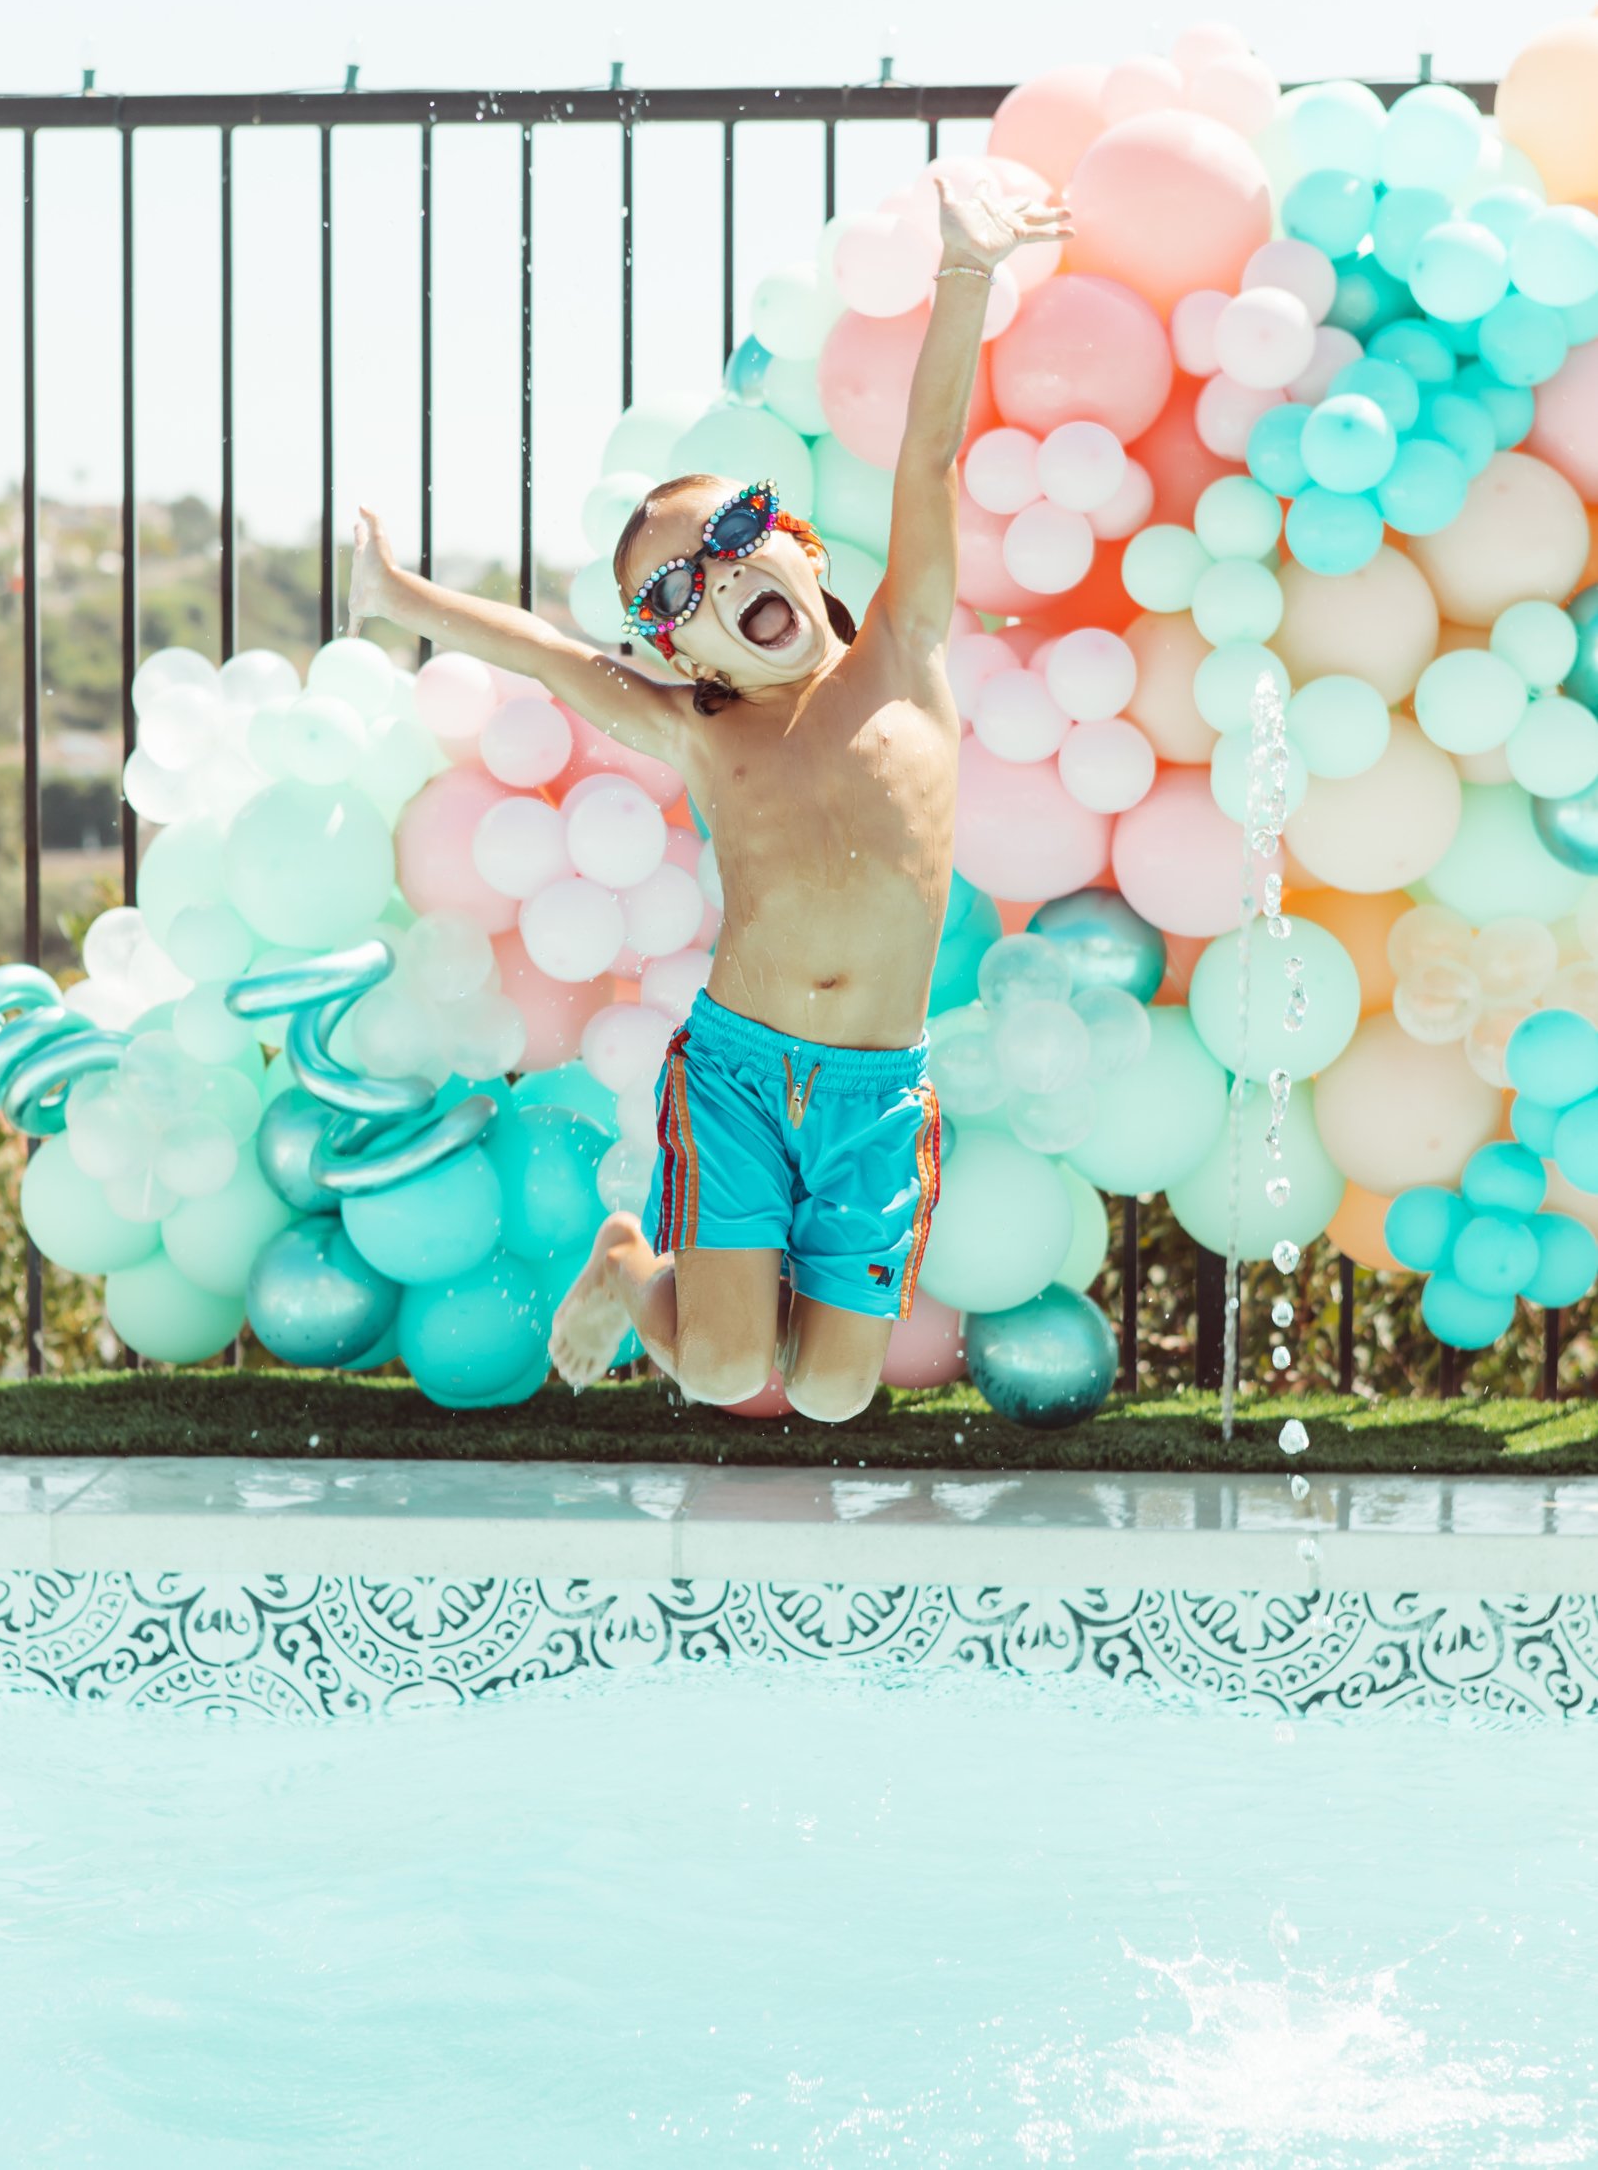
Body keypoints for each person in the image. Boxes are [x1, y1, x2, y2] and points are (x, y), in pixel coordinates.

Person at [348, 177, 1072, 1419]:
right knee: (731, 1369)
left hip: (875, 1090)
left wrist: (965, 269)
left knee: (839, 1393)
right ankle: (629, 1262)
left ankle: (729, 1278)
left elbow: (930, 448)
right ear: (689, 661)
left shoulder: (904, 649)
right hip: (739, 1071)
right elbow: (550, 657)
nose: (716, 580)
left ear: (797, 542)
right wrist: (403, 598)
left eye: (731, 534)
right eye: (673, 598)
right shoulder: (706, 735)